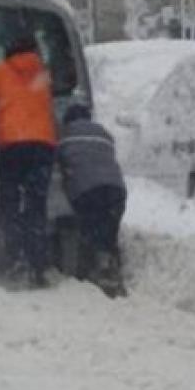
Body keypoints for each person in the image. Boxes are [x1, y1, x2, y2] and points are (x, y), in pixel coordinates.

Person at [0, 35, 57, 290]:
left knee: (10, 203)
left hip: (12, 143)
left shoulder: (0, 72)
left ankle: (12, 260)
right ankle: (37, 266)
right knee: (36, 205)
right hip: (42, 144)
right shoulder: (43, 74)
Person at [57, 104, 127, 299]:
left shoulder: (63, 135)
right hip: (117, 190)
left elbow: (58, 163)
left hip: (86, 189)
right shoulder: (104, 133)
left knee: (89, 230)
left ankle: (91, 271)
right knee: (109, 227)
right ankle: (111, 268)